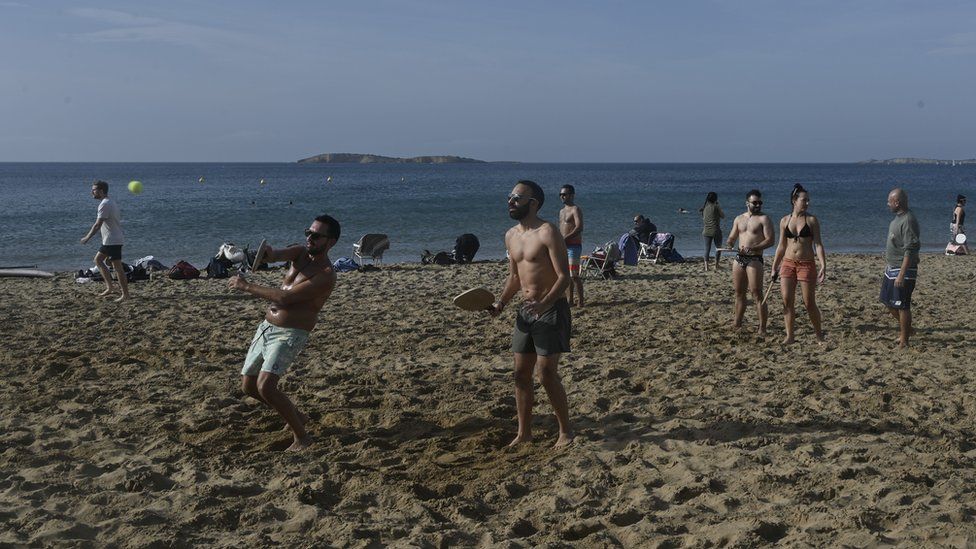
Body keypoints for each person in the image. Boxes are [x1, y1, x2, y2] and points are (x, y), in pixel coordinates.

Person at [228, 215, 340, 451]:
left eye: (316, 235)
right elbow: (276, 254)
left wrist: (245, 286)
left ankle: (302, 438)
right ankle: (297, 415)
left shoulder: (326, 274)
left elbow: (285, 298)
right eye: (308, 232)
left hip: (291, 332)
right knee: (248, 386)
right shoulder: (300, 253)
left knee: (266, 386)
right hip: (267, 328)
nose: (310, 237)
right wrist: (267, 253)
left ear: (331, 242)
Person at [489, 180, 574, 448]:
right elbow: (514, 277)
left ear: (533, 203)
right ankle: (524, 433)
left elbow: (565, 277)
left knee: (546, 374)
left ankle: (565, 431)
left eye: (517, 197)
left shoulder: (548, 232)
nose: (510, 201)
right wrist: (501, 303)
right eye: (509, 196)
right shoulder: (510, 235)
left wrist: (545, 304)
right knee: (520, 375)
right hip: (525, 312)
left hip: (551, 309)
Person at [770, 184, 827, 344]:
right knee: (787, 301)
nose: (807, 203)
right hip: (788, 264)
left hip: (806, 264)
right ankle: (790, 336)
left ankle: (818, 335)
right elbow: (781, 246)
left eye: (808, 200)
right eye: (804, 200)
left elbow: (818, 245)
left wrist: (823, 265)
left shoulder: (812, 220)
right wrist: (775, 266)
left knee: (809, 303)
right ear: (794, 200)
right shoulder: (784, 221)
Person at [726, 189, 775, 335]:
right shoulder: (738, 219)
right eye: (755, 202)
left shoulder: (764, 219)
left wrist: (753, 248)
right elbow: (732, 237)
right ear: (747, 203)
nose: (758, 205)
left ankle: (762, 327)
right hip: (739, 258)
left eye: (760, 202)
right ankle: (737, 323)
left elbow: (770, 240)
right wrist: (729, 244)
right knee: (739, 293)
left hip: (755, 259)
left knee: (757, 294)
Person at [881, 189, 920, 349]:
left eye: (889, 201)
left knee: (902, 305)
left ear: (897, 202)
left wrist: (902, 274)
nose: (887, 203)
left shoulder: (908, 220)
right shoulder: (897, 219)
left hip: (903, 269)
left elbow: (910, 248)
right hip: (892, 267)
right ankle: (908, 330)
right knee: (887, 301)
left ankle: (904, 339)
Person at [80, 180, 131, 302]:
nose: (92, 192)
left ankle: (125, 295)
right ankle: (110, 287)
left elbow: (97, 225)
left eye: (94, 190)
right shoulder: (109, 202)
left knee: (118, 267)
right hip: (110, 240)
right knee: (98, 260)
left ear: (101, 191)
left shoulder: (105, 204)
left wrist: (87, 237)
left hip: (112, 240)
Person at [559, 184, 584, 307]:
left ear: (572, 195)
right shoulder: (561, 211)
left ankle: (581, 301)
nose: (562, 196)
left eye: (565, 194)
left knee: (574, 275)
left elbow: (579, 227)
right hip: (563, 246)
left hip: (573, 246)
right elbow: (561, 228)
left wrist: (565, 239)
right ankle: (570, 300)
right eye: (561, 194)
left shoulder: (575, 209)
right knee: (566, 276)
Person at [700, 192, 725, 271]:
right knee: (718, 248)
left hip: (706, 231)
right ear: (715, 199)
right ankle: (716, 265)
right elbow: (723, 216)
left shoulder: (704, 208)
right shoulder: (716, 207)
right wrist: (718, 206)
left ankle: (707, 267)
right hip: (716, 230)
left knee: (707, 249)